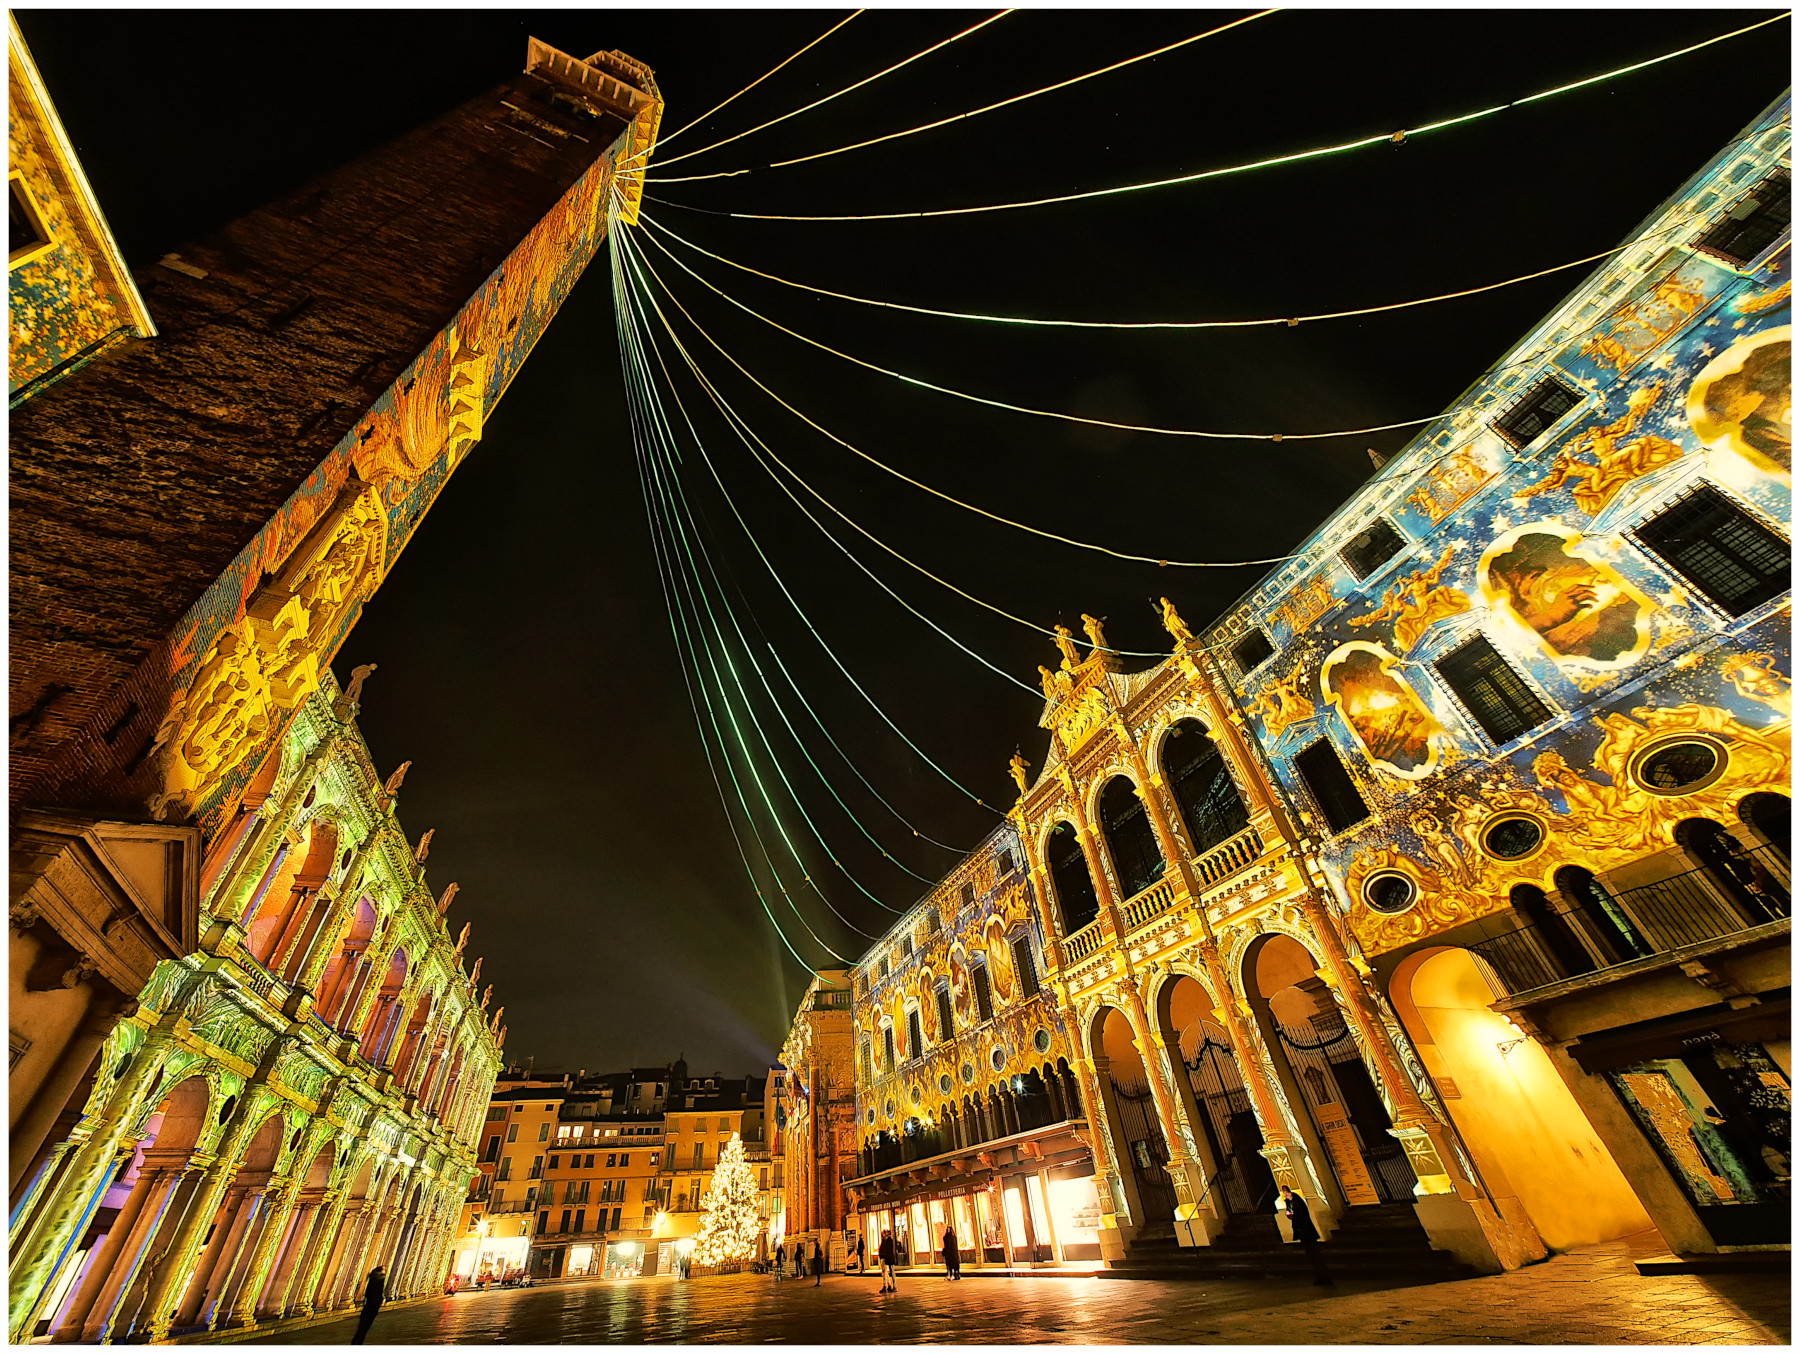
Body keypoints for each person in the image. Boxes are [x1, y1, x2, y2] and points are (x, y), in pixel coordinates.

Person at [1279, 1185, 1333, 1286]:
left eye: (1285, 1192)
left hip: (1306, 1230)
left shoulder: (1297, 1200)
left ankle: (1325, 1276)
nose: (1284, 1194)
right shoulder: (1289, 1202)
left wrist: (1292, 1214)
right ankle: (1320, 1275)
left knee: (1315, 1253)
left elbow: (1301, 1213)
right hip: (1301, 1230)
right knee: (1311, 1254)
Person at [351, 1265, 386, 1344]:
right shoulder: (379, 1280)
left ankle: (357, 1341)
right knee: (365, 1326)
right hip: (372, 1306)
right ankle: (358, 1342)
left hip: (369, 1306)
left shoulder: (373, 1278)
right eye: (384, 1270)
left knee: (362, 1327)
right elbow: (378, 1293)